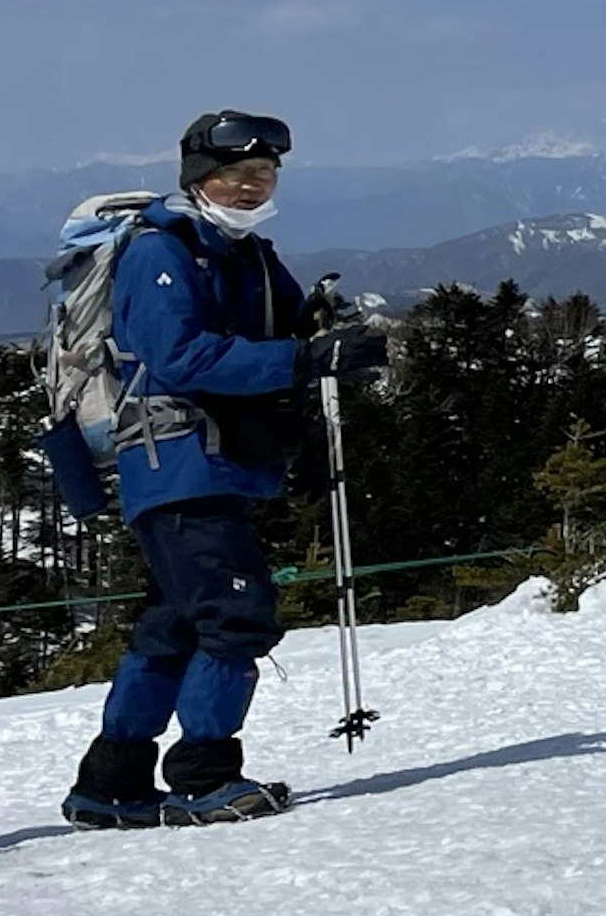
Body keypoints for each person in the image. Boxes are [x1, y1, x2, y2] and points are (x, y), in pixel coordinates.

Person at [58, 111, 387, 829]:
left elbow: (293, 330)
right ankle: (203, 777)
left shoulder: (247, 252)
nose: (248, 186)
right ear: (197, 179)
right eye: (233, 175)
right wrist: (304, 360)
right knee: (236, 620)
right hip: (177, 463)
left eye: (262, 175)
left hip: (214, 465)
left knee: (176, 625)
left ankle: (111, 784)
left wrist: (327, 336)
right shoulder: (160, 252)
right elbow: (181, 357)